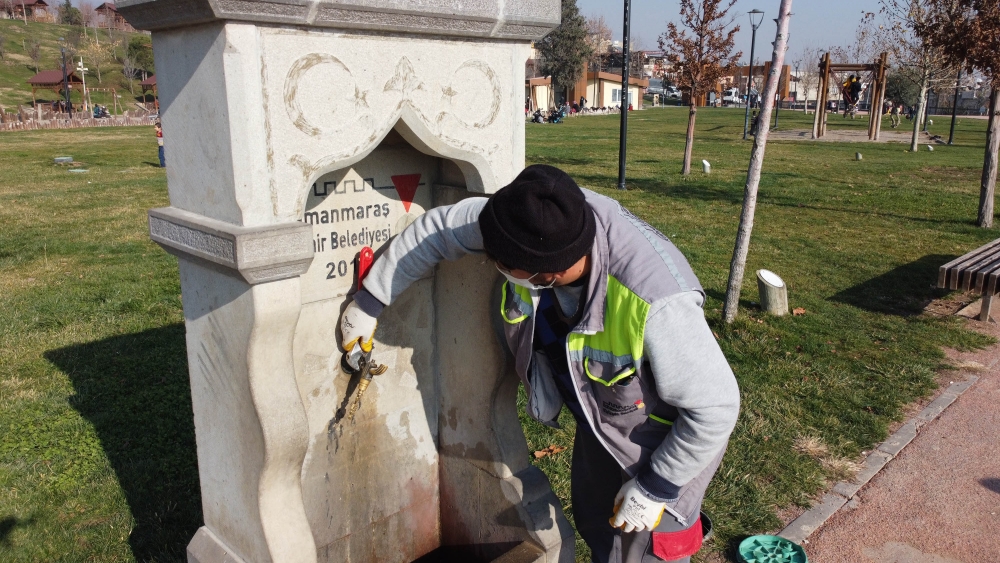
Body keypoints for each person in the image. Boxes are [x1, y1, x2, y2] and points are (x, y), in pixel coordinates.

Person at [339, 165, 740, 563]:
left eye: (503, 264)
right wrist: (370, 302)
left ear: (548, 272)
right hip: (601, 414)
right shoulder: (530, 221)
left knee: (648, 551)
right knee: (599, 525)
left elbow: (715, 409)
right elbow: (438, 230)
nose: (492, 261)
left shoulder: (657, 301)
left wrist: (656, 486)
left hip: (663, 442)